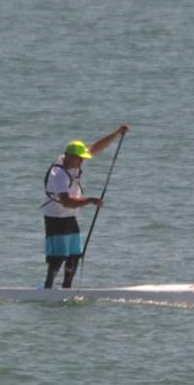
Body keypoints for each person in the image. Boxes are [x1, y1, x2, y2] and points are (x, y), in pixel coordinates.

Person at [42, 123, 128, 289]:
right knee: (57, 257)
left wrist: (117, 133)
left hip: (70, 217)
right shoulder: (58, 174)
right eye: (79, 158)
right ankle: (48, 288)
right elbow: (67, 202)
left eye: (83, 158)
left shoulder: (74, 161)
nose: (82, 161)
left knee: (74, 255)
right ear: (69, 157)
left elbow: (96, 147)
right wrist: (90, 200)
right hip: (55, 218)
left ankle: (66, 288)